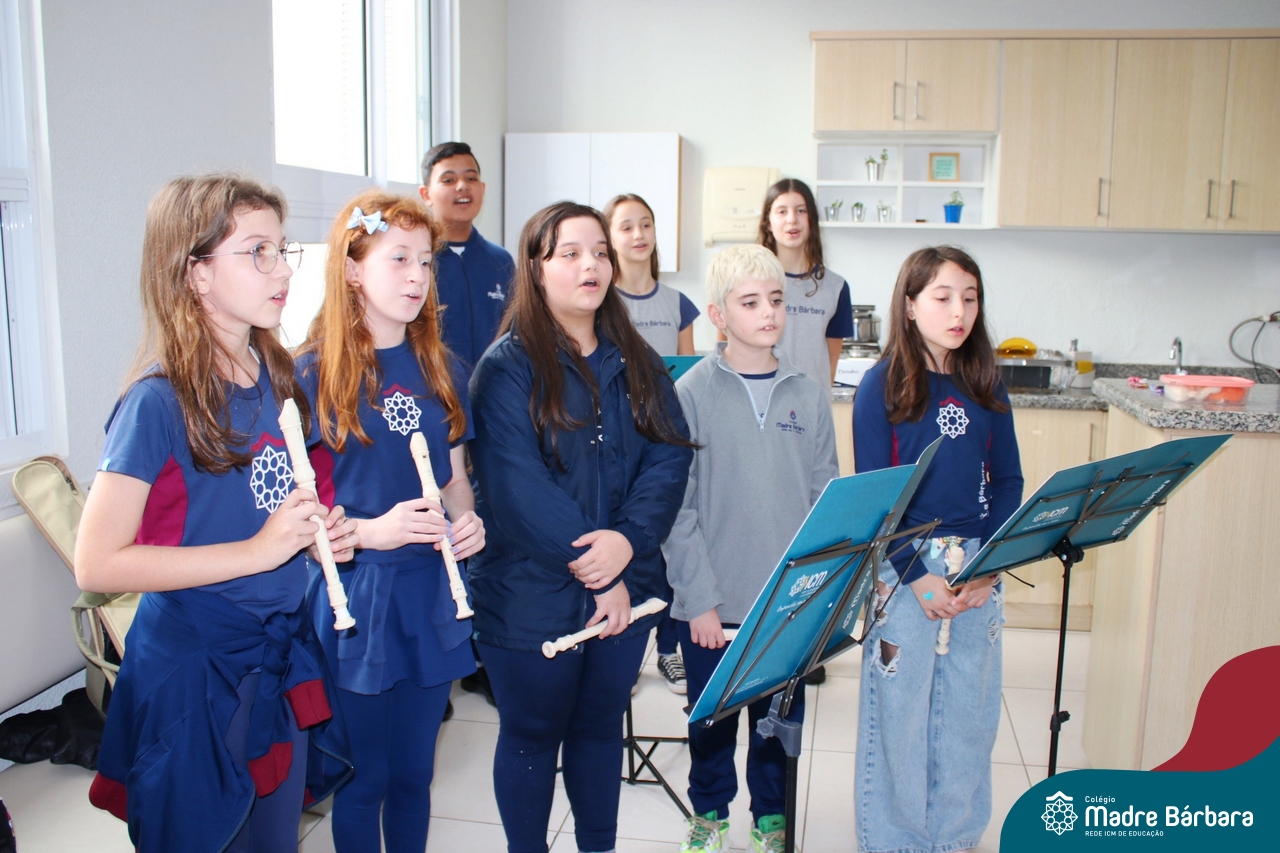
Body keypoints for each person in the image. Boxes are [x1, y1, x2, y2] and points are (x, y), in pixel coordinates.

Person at [73, 174, 357, 852]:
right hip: (196, 672)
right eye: (257, 252)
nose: (282, 270)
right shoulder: (156, 402)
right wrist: (259, 551)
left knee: (273, 838)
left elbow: (267, 506)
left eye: (283, 250)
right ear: (196, 273)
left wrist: (313, 537)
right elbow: (96, 563)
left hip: (275, 655)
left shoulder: (278, 377)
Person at [467, 201, 694, 853]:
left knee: (598, 731)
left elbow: (668, 455)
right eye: (569, 253)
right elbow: (516, 490)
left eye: (599, 252)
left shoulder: (637, 359)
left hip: (628, 587)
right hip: (529, 594)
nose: (590, 264)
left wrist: (626, 543)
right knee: (532, 736)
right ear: (535, 268)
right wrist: (599, 570)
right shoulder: (505, 368)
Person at [295, 190, 485, 852]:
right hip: (357, 595)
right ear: (352, 269)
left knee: (414, 774)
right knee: (363, 777)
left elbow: (454, 478)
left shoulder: (443, 367)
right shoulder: (308, 374)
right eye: (398, 258)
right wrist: (372, 532)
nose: (417, 276)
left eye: (426, 261)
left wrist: (468, 521)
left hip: (430, 592)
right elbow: (294, 515)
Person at [664, 244, 839, 853]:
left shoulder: (808, 395)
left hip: (786, 607)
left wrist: (815, 596)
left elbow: (825, 505)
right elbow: (677, 509)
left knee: (775, 726)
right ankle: (709, 815)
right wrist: (699, 600)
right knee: (710, 725)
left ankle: (771, 819)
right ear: (717, 315)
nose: (768, 312)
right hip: (712, 604)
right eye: (750, 302)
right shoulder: (691, 393)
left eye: (776, 300)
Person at [853, 246, 1023, 853]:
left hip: (977, 563)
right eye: (943, 297)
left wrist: (989, 567)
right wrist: (916, 576)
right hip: (905, 567)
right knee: (899, 714)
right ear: (909, 305)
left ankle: (954, 837)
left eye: (970, 299)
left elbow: (1008, 482)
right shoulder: (880, 387)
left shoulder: (986, 383)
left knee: (969, 713)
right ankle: (896, 839)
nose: (959, 312)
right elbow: (877, 499)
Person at [603, 191, 698, 694]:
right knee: (624, 539)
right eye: (626, 226)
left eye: (646, 224)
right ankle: (621, 647)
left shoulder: (678, 303)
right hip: (616, 443)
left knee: (668, 545)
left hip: (662, 441)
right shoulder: (601, 299)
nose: (638, 234)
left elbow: (687, 378)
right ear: (609, 237)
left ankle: (667, 649)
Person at [419, 140, 516, 379]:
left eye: (471, 178)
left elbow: (515, 334)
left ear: (482, 188)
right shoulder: (419, 261)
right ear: (426, 194)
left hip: (494, 393)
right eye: (448, 180)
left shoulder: (500, 260)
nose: (462, 186)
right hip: (436, 391)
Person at [757, 178, 853, 387]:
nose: (792, 219)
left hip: (812, 403)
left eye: (801, 210)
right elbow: (728, 347)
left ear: (812, 219)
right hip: (759, 400)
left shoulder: (836, 287)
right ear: (768, 222)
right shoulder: (750, 283)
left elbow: (829, 367)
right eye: (782, 211)